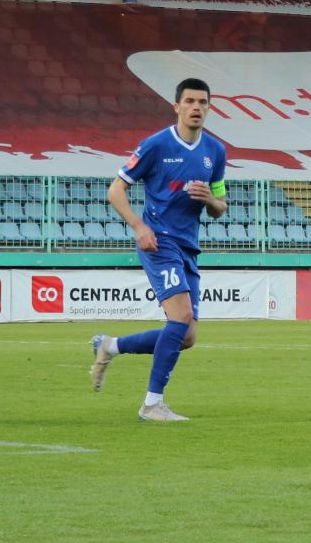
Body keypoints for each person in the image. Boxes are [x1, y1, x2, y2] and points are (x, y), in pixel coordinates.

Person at [89, 78, 227, 422]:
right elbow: (116, 190)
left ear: (209, 108)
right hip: (159, 241)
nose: (197, 107)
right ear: (177, 106)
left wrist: (208, 198)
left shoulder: (215, 152)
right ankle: (152, 405)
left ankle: (111, 346)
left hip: (188, 247)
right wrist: (139, 227)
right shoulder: (156, 145)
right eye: (190, 101)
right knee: (179, 318)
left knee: (187, 335)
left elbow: (221, 206)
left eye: (203, 102)